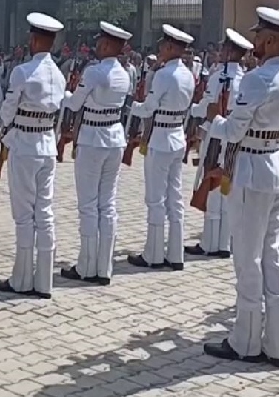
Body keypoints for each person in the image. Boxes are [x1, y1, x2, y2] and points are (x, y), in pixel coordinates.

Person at [202, 7, 279, 369]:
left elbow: (232, 131)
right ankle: (278, 344)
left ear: (272, 40)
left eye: (260, 36)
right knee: (271, 255)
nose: (255, 42)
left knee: (247, 258)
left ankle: (245, 342)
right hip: (274, 164)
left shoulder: (258, 79)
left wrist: (212, 120)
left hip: (251, 170)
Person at [0, 13, 67, 299]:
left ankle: (21, 280)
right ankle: (44, 282)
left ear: (34, 40)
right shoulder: (59, 75)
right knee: (44, 213)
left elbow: (6, 111)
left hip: (24, 146)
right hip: (47, 144)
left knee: (24, 216)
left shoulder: (22, 72)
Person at [59, 21, 132, 285]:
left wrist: (65, 91)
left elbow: (74, 103)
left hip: (92, 139)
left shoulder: (94, 72)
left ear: (109, 45)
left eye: (102, 42)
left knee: (88, 206)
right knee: (108, 205)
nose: (97, 45)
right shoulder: (124, 73)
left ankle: (86, 266)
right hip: (114, 137)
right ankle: (104, 267)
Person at [128, 24, 196, 271]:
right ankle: (175, 254)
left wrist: (131, 106)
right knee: (175, 197)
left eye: (162, 47)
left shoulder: (164, 74)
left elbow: (148, 107)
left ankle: (153, 254)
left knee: (155, 199)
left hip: (160, 138)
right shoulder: (188, 73)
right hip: (177, 134)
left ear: (169, 47)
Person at [186, 29, 252, 258]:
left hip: (217, 133)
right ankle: (225, 242)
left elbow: (207, 106)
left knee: (212, 184)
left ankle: (211, 243)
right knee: (227, 187)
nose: (221, 52)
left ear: (232, 52)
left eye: (225, 48)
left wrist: (191, 108)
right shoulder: (247, 78)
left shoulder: (218, 77)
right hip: (236, 136)